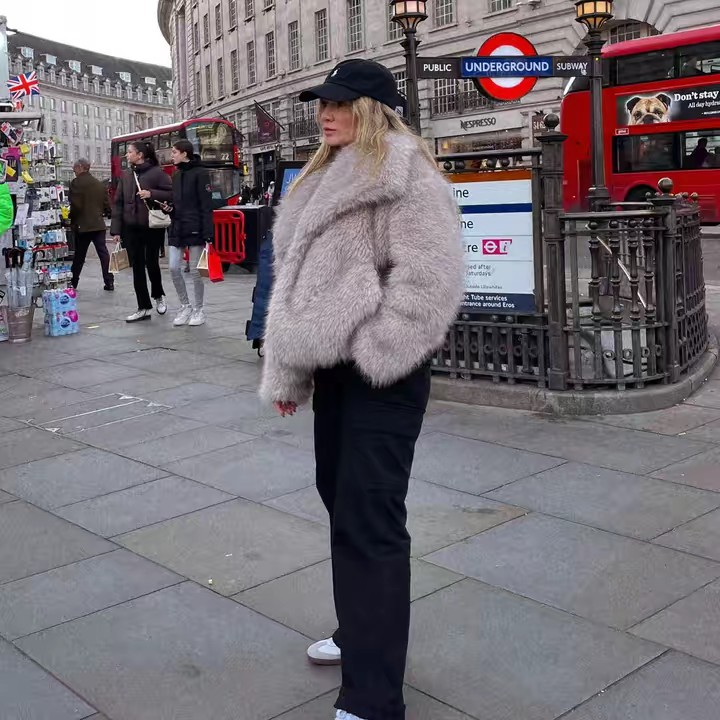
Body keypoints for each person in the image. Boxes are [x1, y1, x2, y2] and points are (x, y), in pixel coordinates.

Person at [259, 59, 464, 720]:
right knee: (341, 501)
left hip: (383, 372)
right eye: (322, 102)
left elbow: (429, 282)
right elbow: (296, 285)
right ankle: (359, 632)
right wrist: (293, 368)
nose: (325, 112)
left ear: (372, 109)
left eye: (340, 103)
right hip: (336, 374)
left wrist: (379, 350)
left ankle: (375, 698)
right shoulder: (323, 173)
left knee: (371, 520)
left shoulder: (406, 174)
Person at [110, 141, 172, 322]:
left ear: (140, 155)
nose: (126, 155)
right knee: (136, 266)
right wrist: (116, 230)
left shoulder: (157, 173)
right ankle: (143, 306)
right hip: (131, 227)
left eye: (130, 152)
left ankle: (158, 295)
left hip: (151, 226)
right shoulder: (126, 175)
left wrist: (151, 193)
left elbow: (171, 194)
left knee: (151, 263)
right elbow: (118, 203)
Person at [161, 139, 214, 327]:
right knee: (173, 268)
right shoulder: (176, 175)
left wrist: (208, 233)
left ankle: (199, 309)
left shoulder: (201, 173)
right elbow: (176, 201)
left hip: (195, 227)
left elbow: (206, 205)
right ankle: (185, 306)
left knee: (195, 271)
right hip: (177, 226)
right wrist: (170, 208)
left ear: (185, 153)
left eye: (174, 152)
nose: (172, 156)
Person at [69, 158, 113, 291]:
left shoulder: (76, 183)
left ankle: (73, 282)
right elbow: (107, 205)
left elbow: (75, 205)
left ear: (80, 167)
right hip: (98, 224)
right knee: (103, 254)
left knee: (79, 255)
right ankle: (109, 281)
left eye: (75, 168)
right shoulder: (99, 184)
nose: (74, 171)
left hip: (82, 225)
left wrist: (72, 219)